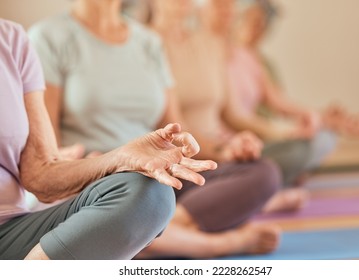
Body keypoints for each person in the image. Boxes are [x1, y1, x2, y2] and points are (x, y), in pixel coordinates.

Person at [29, 0, 282, 259]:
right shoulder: (48, 37)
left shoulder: (148, 42)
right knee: (141, 193)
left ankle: (148, 233)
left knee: (264, 172)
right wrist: (97, 167)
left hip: (156, 175)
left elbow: (176, 130)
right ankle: (216, 241)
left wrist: (227, 150)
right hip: (100, 176)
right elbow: (51, 153)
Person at [0, 18, 217, 260]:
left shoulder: (13, 40)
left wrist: (122, 157)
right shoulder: (50, 36)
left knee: (150, 194)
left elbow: (41, 176)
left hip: (10, 232)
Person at [148, 0, 311, 212]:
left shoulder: (210, 44)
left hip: (216, 147)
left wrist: (279, 134)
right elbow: (172, 126)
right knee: (262, 174)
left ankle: (237, 201)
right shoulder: (146, 42)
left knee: (277, 162)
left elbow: (233, 114)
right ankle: (249, 203)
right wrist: (222, 150)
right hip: (182, 157)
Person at [230, 0, 359, 174]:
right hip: (242, 143)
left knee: (325, 138)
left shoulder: (255, 60)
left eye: (262, 23)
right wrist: (285, 133)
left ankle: (275, 179)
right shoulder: (222, 54)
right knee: (298, 151)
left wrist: (323, 119)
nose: (257, 28)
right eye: (252, 20)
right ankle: (270, 182)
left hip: (265, 136)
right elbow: (235, 117)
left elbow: (280, 103)